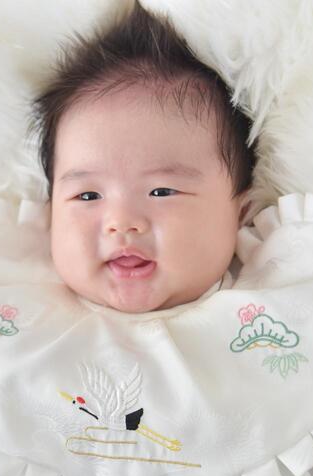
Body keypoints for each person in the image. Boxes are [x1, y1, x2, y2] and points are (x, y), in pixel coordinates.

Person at [32, 2, 255, 313]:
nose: (121, 222)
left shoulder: (275, 296)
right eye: (88, 196)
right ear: (50, 214)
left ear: (241, 213)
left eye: (161, 192)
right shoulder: (12, 291)